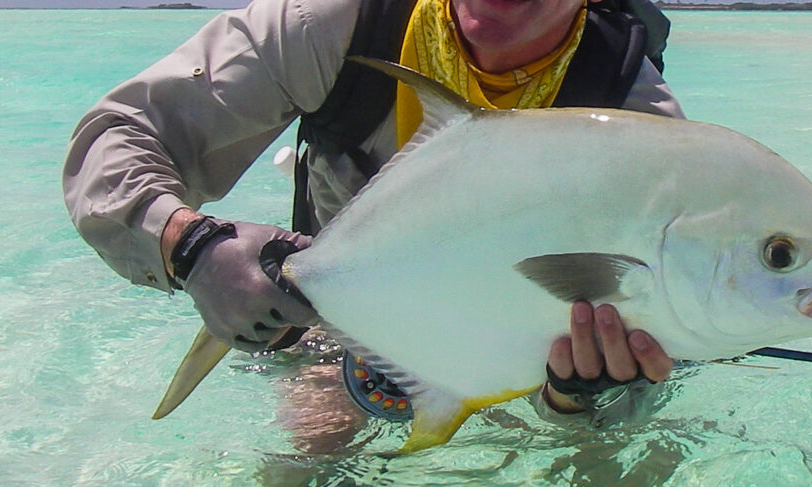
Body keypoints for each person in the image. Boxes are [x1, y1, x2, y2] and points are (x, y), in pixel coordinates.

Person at [63, 0, 685, 446]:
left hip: (525, 358)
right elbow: (123, 133)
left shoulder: (637, 118)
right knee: (307, 448)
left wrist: (578, 398)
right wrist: (189, 246)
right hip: (331, 332)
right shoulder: (331, 23)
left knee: (612, 455)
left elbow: (650, 337)